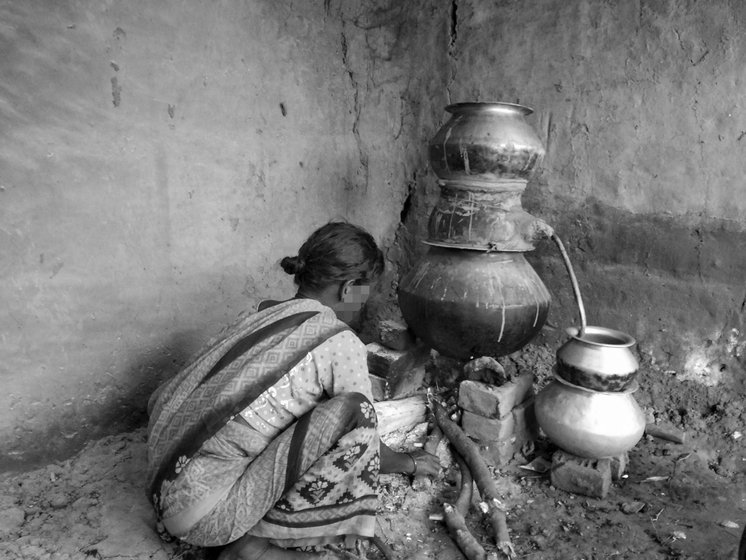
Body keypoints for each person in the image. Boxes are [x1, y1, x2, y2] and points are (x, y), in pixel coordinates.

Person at [146, 221, 440, 560]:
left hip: (161, 485)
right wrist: (408, 463)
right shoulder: (340, 342)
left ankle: (219, 520)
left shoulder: (260, 314)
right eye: (364, 293)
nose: (362, 304)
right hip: (207, 520)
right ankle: (250, 545)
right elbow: (366, 440)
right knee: (354, 411)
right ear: (348, 289)